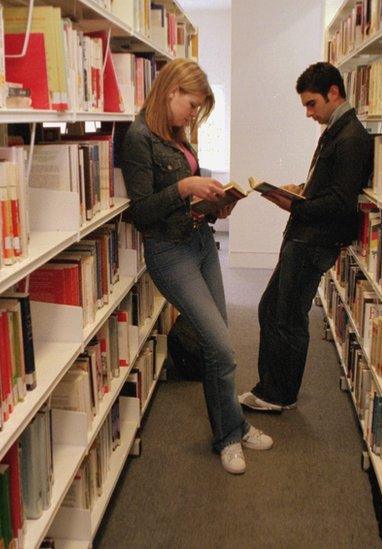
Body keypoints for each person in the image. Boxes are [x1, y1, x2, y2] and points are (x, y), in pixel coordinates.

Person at [121, 58, 273, 474]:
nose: (193, 114)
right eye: (191, 105)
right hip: (170, 252)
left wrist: (214, 207)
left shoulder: (177, 134)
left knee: (216, 343)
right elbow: (141, 211)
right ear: (171, 91)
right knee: (221, 346)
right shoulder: (138, 138)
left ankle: (234, 426)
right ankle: (228, 436)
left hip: (201, 241)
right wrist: (184, 186)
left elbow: (187, 199)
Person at [239, 62, 374, 412]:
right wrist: (300, 190)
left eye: (312, 104)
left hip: (313, 242)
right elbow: (328, 188)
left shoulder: (352, 138)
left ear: (333, 92)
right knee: (273, 309)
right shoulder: (337, 130)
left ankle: (278, 394)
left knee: (288, 317)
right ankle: (271, 387)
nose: (309, 113)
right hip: (303, 237)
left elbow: (340, 204)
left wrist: (292, 204)